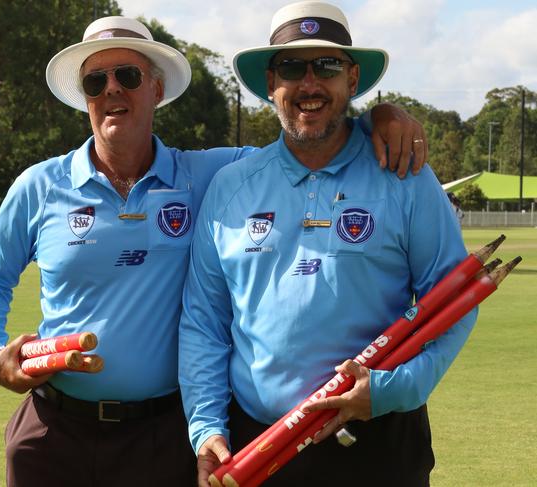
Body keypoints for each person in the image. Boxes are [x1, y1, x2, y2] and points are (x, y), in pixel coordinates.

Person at [0, 14, 429, 487]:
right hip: (54, 429)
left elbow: (307, 137)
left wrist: (379, 116)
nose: (111, 90)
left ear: (157, 90)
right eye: (94, 80)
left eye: (127, 76)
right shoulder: (39, 185)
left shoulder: (210, 174)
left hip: (163, 436)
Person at [178, 2, 477, 486]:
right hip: (258, 444)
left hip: (380, 443)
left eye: (328, 66)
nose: (310, 83)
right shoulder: (232, 186)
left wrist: (389, 390)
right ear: (271, 84)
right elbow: (204, 324)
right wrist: (207, 425)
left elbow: (457, 302)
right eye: (292, 67)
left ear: (353, 79)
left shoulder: (406, 177)